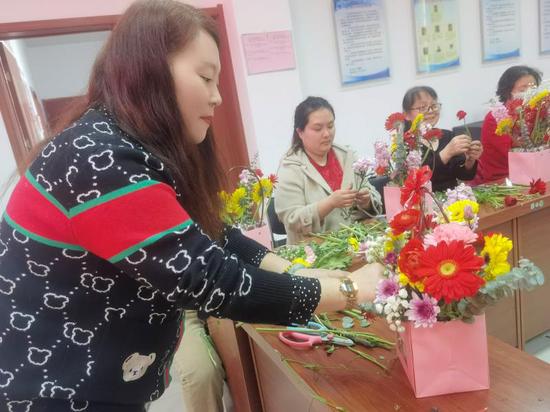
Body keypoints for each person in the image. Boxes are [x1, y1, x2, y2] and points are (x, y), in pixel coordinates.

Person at [0, 2, 384, 411]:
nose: (217, 97)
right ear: (148, 70)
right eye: (205, 77)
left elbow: (212, 235)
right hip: (56, 393)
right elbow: (215, 282)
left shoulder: (126, 148)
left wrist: (294, 271)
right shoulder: (99, 158)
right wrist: (351, 289)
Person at [275, 97, 374, 245]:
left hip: (356, 243)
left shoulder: (346, 156)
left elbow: (371, 195)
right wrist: (330, 203)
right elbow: (292, 219)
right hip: (314, 251)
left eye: (330, 126)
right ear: (300, 132)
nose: (327, 134)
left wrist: (366, 201)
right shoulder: (290, 167)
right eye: (318, 129)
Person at [402, 86, 483, 192]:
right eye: (422, 107)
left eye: (434, 106)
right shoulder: (404, 144)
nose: (430, 111)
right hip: (424, 199)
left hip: (453, 197)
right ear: (406, 115)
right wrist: (446, 153)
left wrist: (470, 161)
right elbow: (418, 179)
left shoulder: (447, 135)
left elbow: (465, 176)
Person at [473, 66, 542, 184]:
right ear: (507, 92)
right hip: (503, 181)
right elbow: (518, 153)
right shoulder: (495, 118)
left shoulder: (537, 112)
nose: (530, 93)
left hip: (534, 172)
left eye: (533, 88)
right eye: (523, 89)